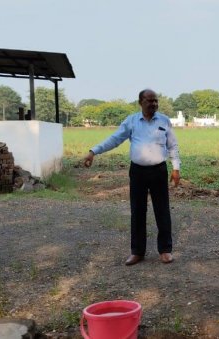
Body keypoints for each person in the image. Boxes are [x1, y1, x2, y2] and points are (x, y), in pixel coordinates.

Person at [83, 89, 180, 266]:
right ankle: (137, 252)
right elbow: (114, 139)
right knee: (137, 211)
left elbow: (172, 146)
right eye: (150, 101)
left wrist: (176, 168)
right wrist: (93, 151)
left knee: (162, 210)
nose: (154, 104)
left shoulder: (164, 120)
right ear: (140, 102)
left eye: (156, 101)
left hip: (159, 171)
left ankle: (165, 250)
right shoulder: (132, 121)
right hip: (138, 172)